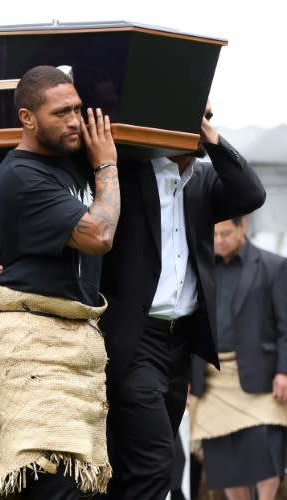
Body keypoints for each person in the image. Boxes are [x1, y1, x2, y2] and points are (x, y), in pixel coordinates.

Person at [98, 101, 266, 499]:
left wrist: (209, 133)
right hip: (135, 340)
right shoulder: (131, 173)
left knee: (142, 463)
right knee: (157, 463)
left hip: (180, 345)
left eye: (205, 116)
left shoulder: (204, 181)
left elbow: (251, 194)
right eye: (194, 116)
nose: (199, 124)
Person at [0, 65, 119, 499]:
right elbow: (99, 235)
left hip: (73, 344)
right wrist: (107, 165)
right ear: (27, 118)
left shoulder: (67, 165)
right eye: (61, 112)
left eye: (78, 109)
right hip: (34, 347)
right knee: (52, 484)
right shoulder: (22, 173)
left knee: (72, 486)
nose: (76, 121)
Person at [189, 216, 287, 500]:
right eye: (215, 234)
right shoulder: (199, 268)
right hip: (210, 376)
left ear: (243, 226)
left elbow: (286, 325)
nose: (219, 240)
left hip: (262, 374)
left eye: (226, 233)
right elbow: (189, 325)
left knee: (264, 447)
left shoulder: (273, 266)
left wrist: (284, 371)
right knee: (223, 458)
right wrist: (184, 377)